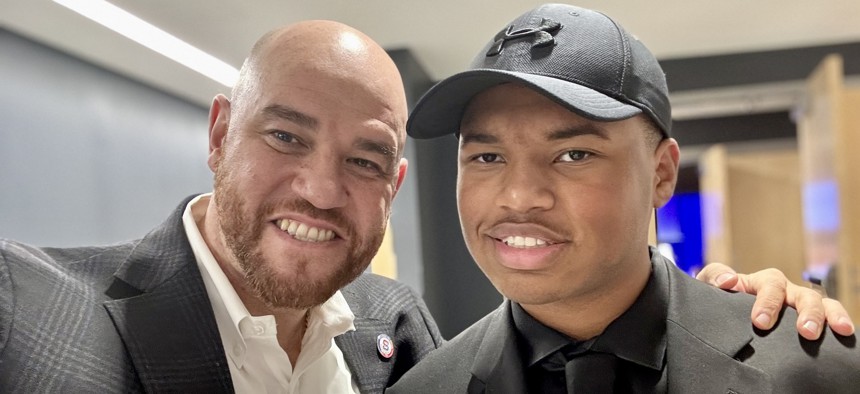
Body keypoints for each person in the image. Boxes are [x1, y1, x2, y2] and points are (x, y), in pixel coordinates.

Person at [0, 16, 849, 394]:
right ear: (220, 134)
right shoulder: (23, 306)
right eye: (286, 137)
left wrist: (751, 314)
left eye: (574, 152)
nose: (322, 190)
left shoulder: (395, 336)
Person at [388, 4, 859, 393]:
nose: (519, 196)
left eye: (573, 154)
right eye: (488, 157)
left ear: (661, 173)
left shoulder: (815, 370)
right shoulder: (423, 388)